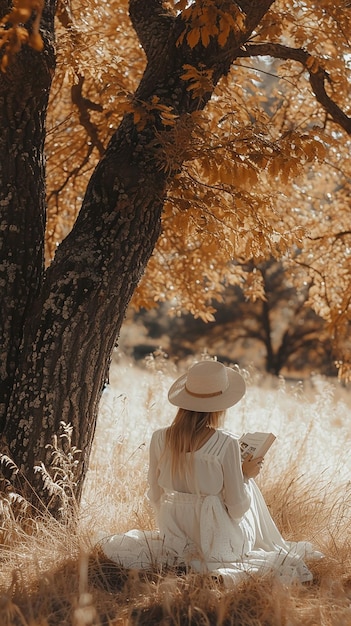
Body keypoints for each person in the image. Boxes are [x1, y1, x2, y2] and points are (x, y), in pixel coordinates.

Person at [99, 360, 320, 584]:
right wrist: (245, 476)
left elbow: (154, 494)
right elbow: (237, 509)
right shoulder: (226, 443)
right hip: (216, 539)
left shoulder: (159, 437)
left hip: (173, 532)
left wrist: (176, 519)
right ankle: (266, 547)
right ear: (220, 405)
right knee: (248, 487)